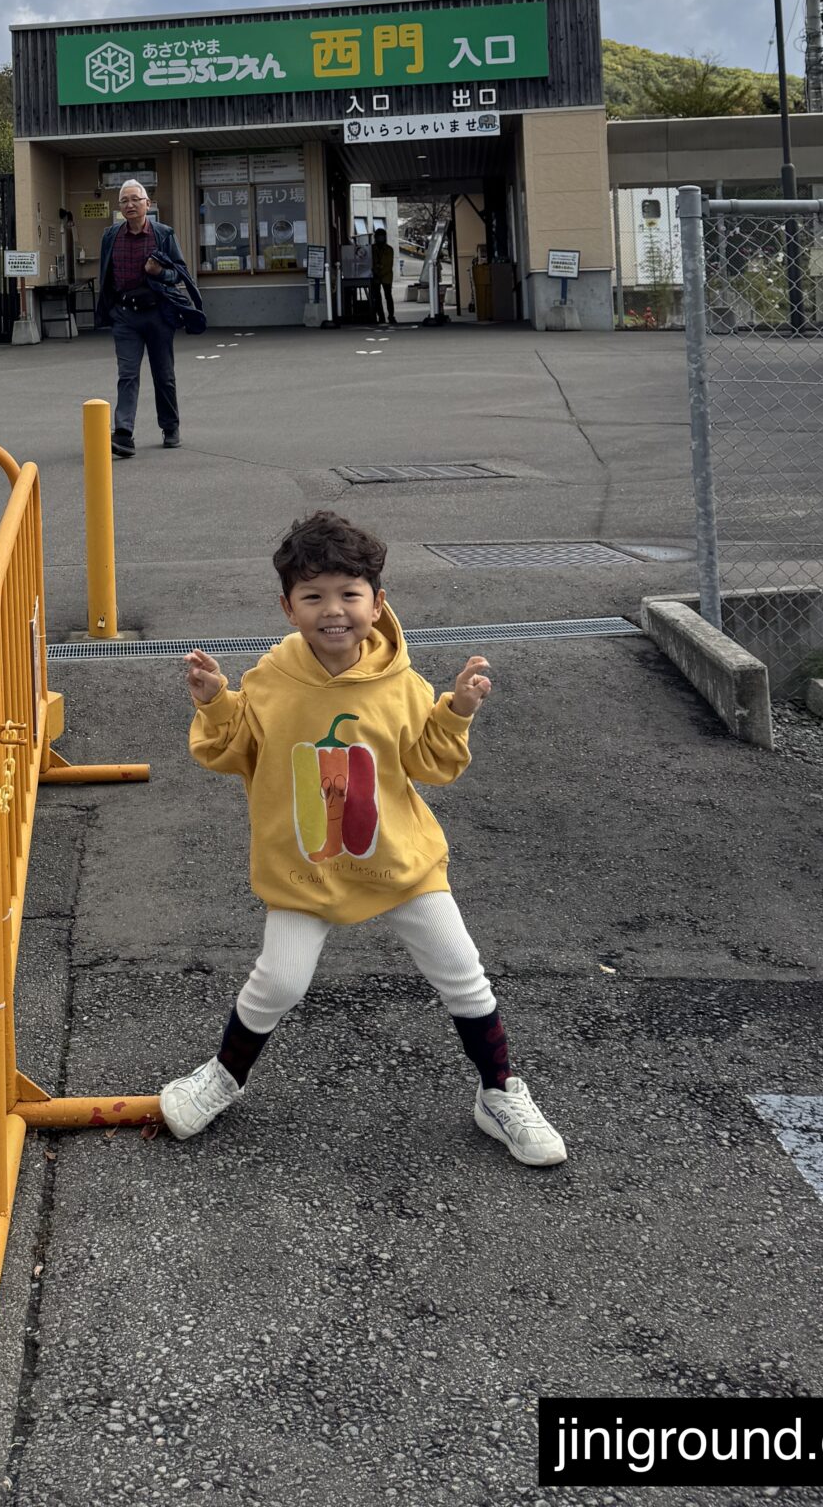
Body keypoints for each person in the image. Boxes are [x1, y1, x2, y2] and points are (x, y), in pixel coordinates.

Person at [156, 507, 567, 1166]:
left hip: (399, 861)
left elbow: (431, 761)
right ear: (287, 607)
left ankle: (499, 1093)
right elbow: (232, 749)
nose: (333, 610)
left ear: (377, 604)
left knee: (463, 976)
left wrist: (456, 709)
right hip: (305, 867)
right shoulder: (269, 682)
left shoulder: (399, 683)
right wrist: (214, 701)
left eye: (349, 594)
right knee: (279, 983)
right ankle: (223, 1077)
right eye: (313, 596)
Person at [93, 177, 197, 458]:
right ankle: (124, 434)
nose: (129, 205)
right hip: (125, 315)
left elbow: (180, 272)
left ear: (147, 204)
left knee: (163, 375)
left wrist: (159, 273)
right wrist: (112, 309)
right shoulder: (110, 236)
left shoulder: (163, 234)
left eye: (135, 200)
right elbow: (106, 273)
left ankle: (170, 427)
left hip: (158, 313)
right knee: (127, 374)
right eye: (124, 201)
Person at [371, 224, 397, 325]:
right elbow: (370, 262)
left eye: (382, 237)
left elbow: (388, 264)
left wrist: (379, 272)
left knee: (388, 296)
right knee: (377, 297)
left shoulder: (389, 249)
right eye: (379, 237)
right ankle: (381, 316)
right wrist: (375, 272)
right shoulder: (372, 249)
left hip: (386, 276)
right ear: (376, 238)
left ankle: (391, 315)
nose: (380, 239)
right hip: (376, 276)